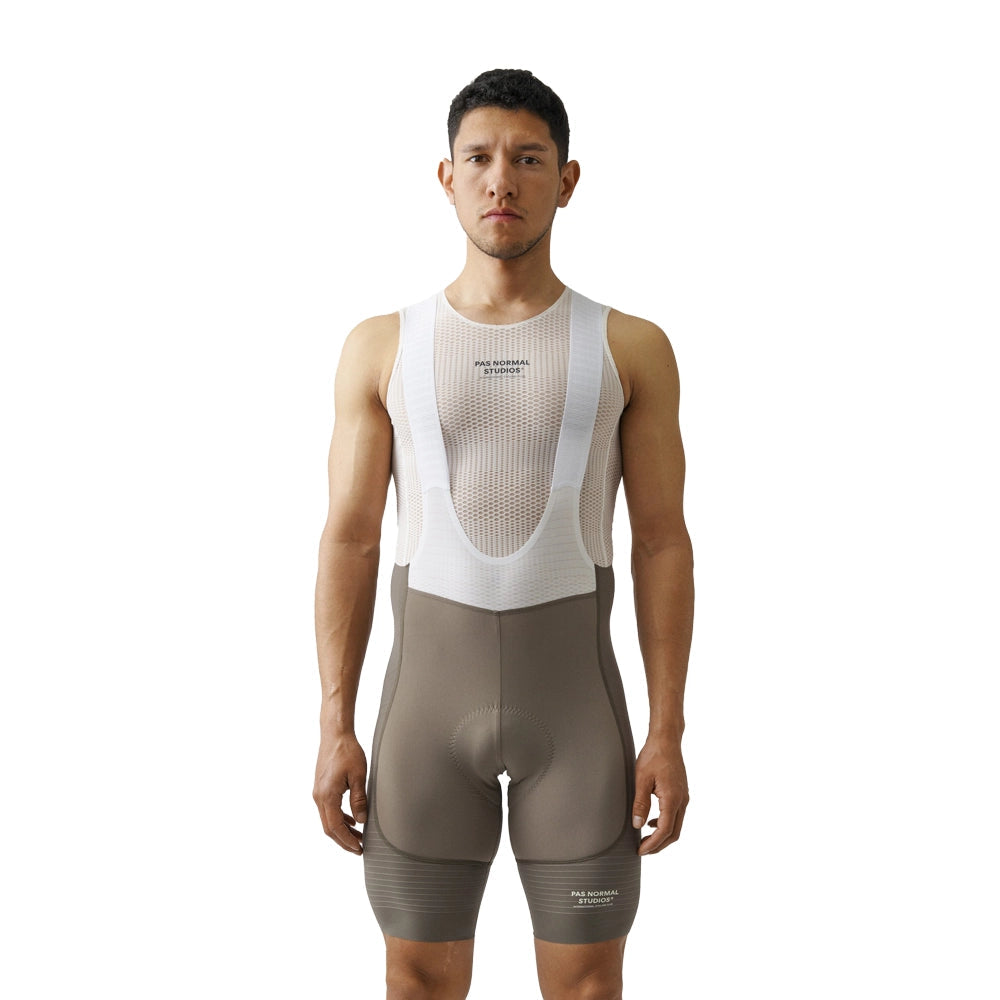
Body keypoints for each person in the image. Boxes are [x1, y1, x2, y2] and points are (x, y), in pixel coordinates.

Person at [313, 68, 694, 1000]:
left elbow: (661, 544)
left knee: (587, 986)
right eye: (479, 158)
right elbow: (350, 541)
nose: (501, 181)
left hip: (579, 725)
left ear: (567, 179)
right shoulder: (383, 345)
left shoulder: (629, 346)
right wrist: (333, 723)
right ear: (446, 178)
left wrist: (668, 731)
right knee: (416, 982)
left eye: (528, 159)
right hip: (422, 725)